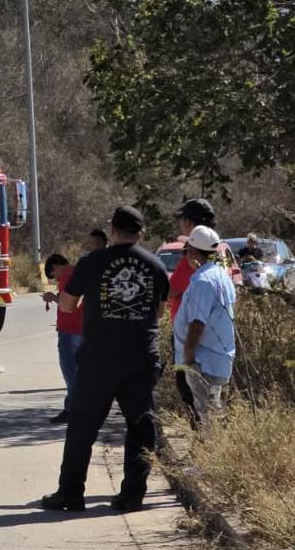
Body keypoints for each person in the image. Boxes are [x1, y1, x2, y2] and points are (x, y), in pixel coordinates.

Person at [40, 206, 169, 513]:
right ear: (141, 232)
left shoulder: (93, 262)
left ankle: (70, 493)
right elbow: (160, 312)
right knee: (140, 428)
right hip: (140, 358)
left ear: (112, 230)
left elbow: (67, 306)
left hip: (99, 358)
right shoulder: (156, 265)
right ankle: (132, 496)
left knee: (82, 426)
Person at [173, 226, 236, 431]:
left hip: (204, 362)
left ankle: (211, 452)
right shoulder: (221, 275)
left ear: (193, 251)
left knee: (207, 416)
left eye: (186, 250)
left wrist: (189, 358)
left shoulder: (202, 281)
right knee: (213, 413)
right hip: (218, 358)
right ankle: (210, 450)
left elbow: (197, 323)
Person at [168, 199, 216, 407]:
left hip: (189, 335)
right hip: (211, 335)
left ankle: (197, 426)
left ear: (189, 222)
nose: (181, 223)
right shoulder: (215, 250)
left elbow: (171, 290)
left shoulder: (193, 254)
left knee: (188, 388)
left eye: (182, 219)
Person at [41, 253, 82, 425]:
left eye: (54, 276)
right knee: (79, 372)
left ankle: (72, 410)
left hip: (70, 330)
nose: (56, 280)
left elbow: (69, 302)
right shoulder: (80, 272)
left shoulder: (67, 276)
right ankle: (77, 408)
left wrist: (52, 297)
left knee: (70, 372)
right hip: (83, 328)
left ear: (56, 267)